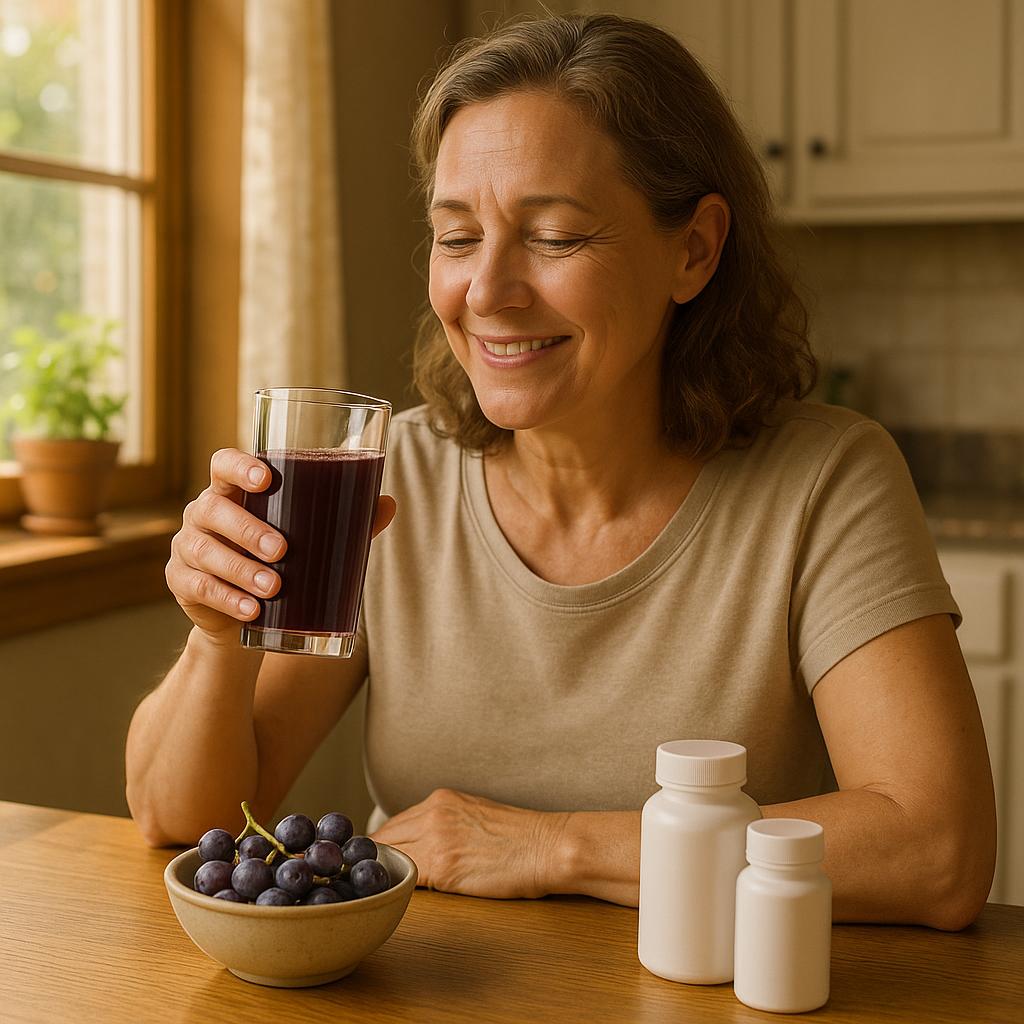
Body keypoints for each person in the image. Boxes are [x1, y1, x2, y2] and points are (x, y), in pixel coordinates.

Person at [126, 13, 995, 929]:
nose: (488, 292)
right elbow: (185, 821)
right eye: (457, 237)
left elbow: (935, 849)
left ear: (692, 250)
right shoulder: (390, 482)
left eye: (555, 235)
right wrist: (216, 639)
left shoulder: (827, 480)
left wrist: (552, 844)